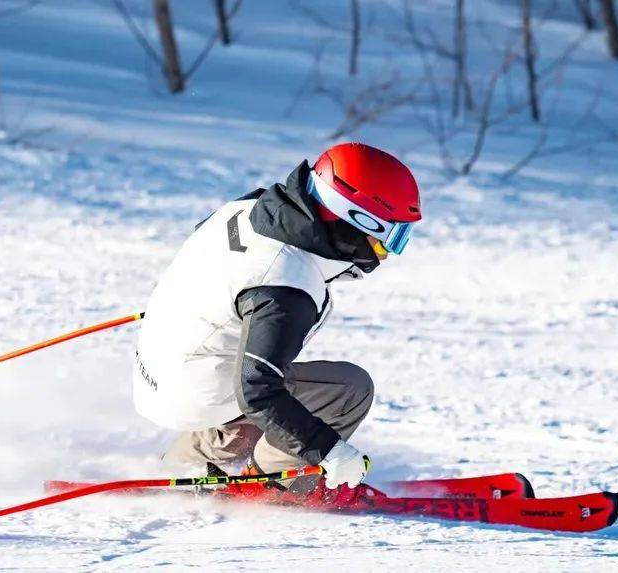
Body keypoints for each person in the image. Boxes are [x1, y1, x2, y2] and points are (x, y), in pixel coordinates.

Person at [133, 142, 421, 491]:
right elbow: (257, 391)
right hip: (197, 390)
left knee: (260, 367)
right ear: (354, 219)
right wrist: (327, 452)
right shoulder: (287, 285)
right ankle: (271, 483)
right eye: (390, 237)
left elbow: (207, 248)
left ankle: (197, 453)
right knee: (350, 389)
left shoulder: (250, 207)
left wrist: (206, 305)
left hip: (160, 370)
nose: (387, 255)